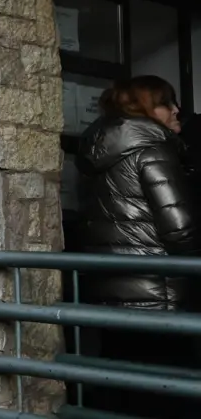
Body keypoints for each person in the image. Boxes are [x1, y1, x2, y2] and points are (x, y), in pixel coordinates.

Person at [75, 76, 199, 418]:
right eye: (166, 103)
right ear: (145, 109)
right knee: (169, 391)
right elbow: (180, 229)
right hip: (158, 292)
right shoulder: (153, 150)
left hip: (109, 293)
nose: (176, 110)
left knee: (123, 386)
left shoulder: (96, 152)